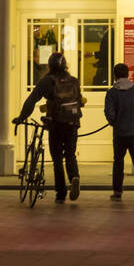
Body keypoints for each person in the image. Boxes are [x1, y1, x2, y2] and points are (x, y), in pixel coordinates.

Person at [15, 52, 86, 203]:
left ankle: (61, 194)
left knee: (57, 159)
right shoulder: (73, 81)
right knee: (70, 154)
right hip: (72, 123)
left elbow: (32, 99)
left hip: (56, 123)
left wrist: (21, 117)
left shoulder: (47, 81)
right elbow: (79, 100)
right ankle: (74, 177)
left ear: (50, 65)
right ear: (65, 65)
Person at [104, 63, 134, 203]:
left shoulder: (112, 92)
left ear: (115, 76)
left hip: (119, 133)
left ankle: (117, 192)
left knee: (118, 162)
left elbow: (109, 113)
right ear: (128, 74)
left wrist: (114, 122)